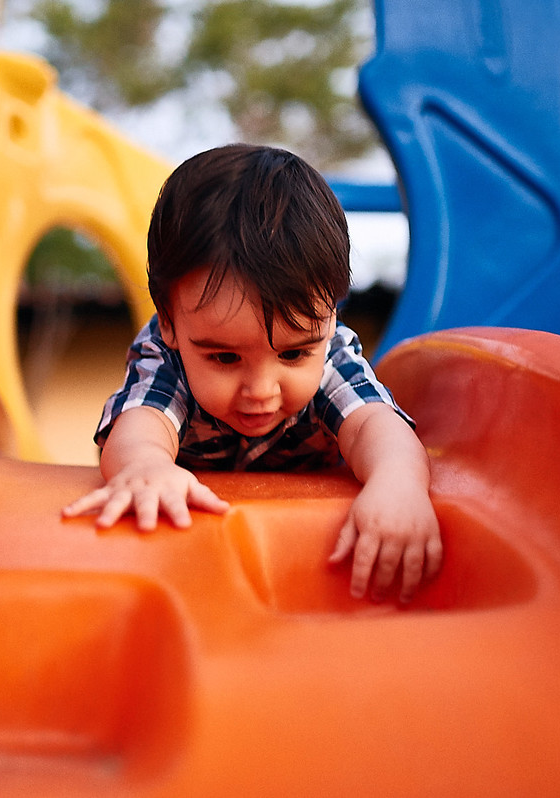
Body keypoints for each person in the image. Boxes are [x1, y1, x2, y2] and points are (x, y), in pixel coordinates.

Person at [62, 144, 441, 603]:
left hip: (304, 559)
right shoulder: (168, 354)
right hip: (192, 563)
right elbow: (141, 425)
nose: (261, 390)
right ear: (170, 322)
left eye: (293, 355)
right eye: (225, 358)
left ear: (330, 317)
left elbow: (374, 426)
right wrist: (146, 467)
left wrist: (397, 482)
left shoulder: (329, 352)